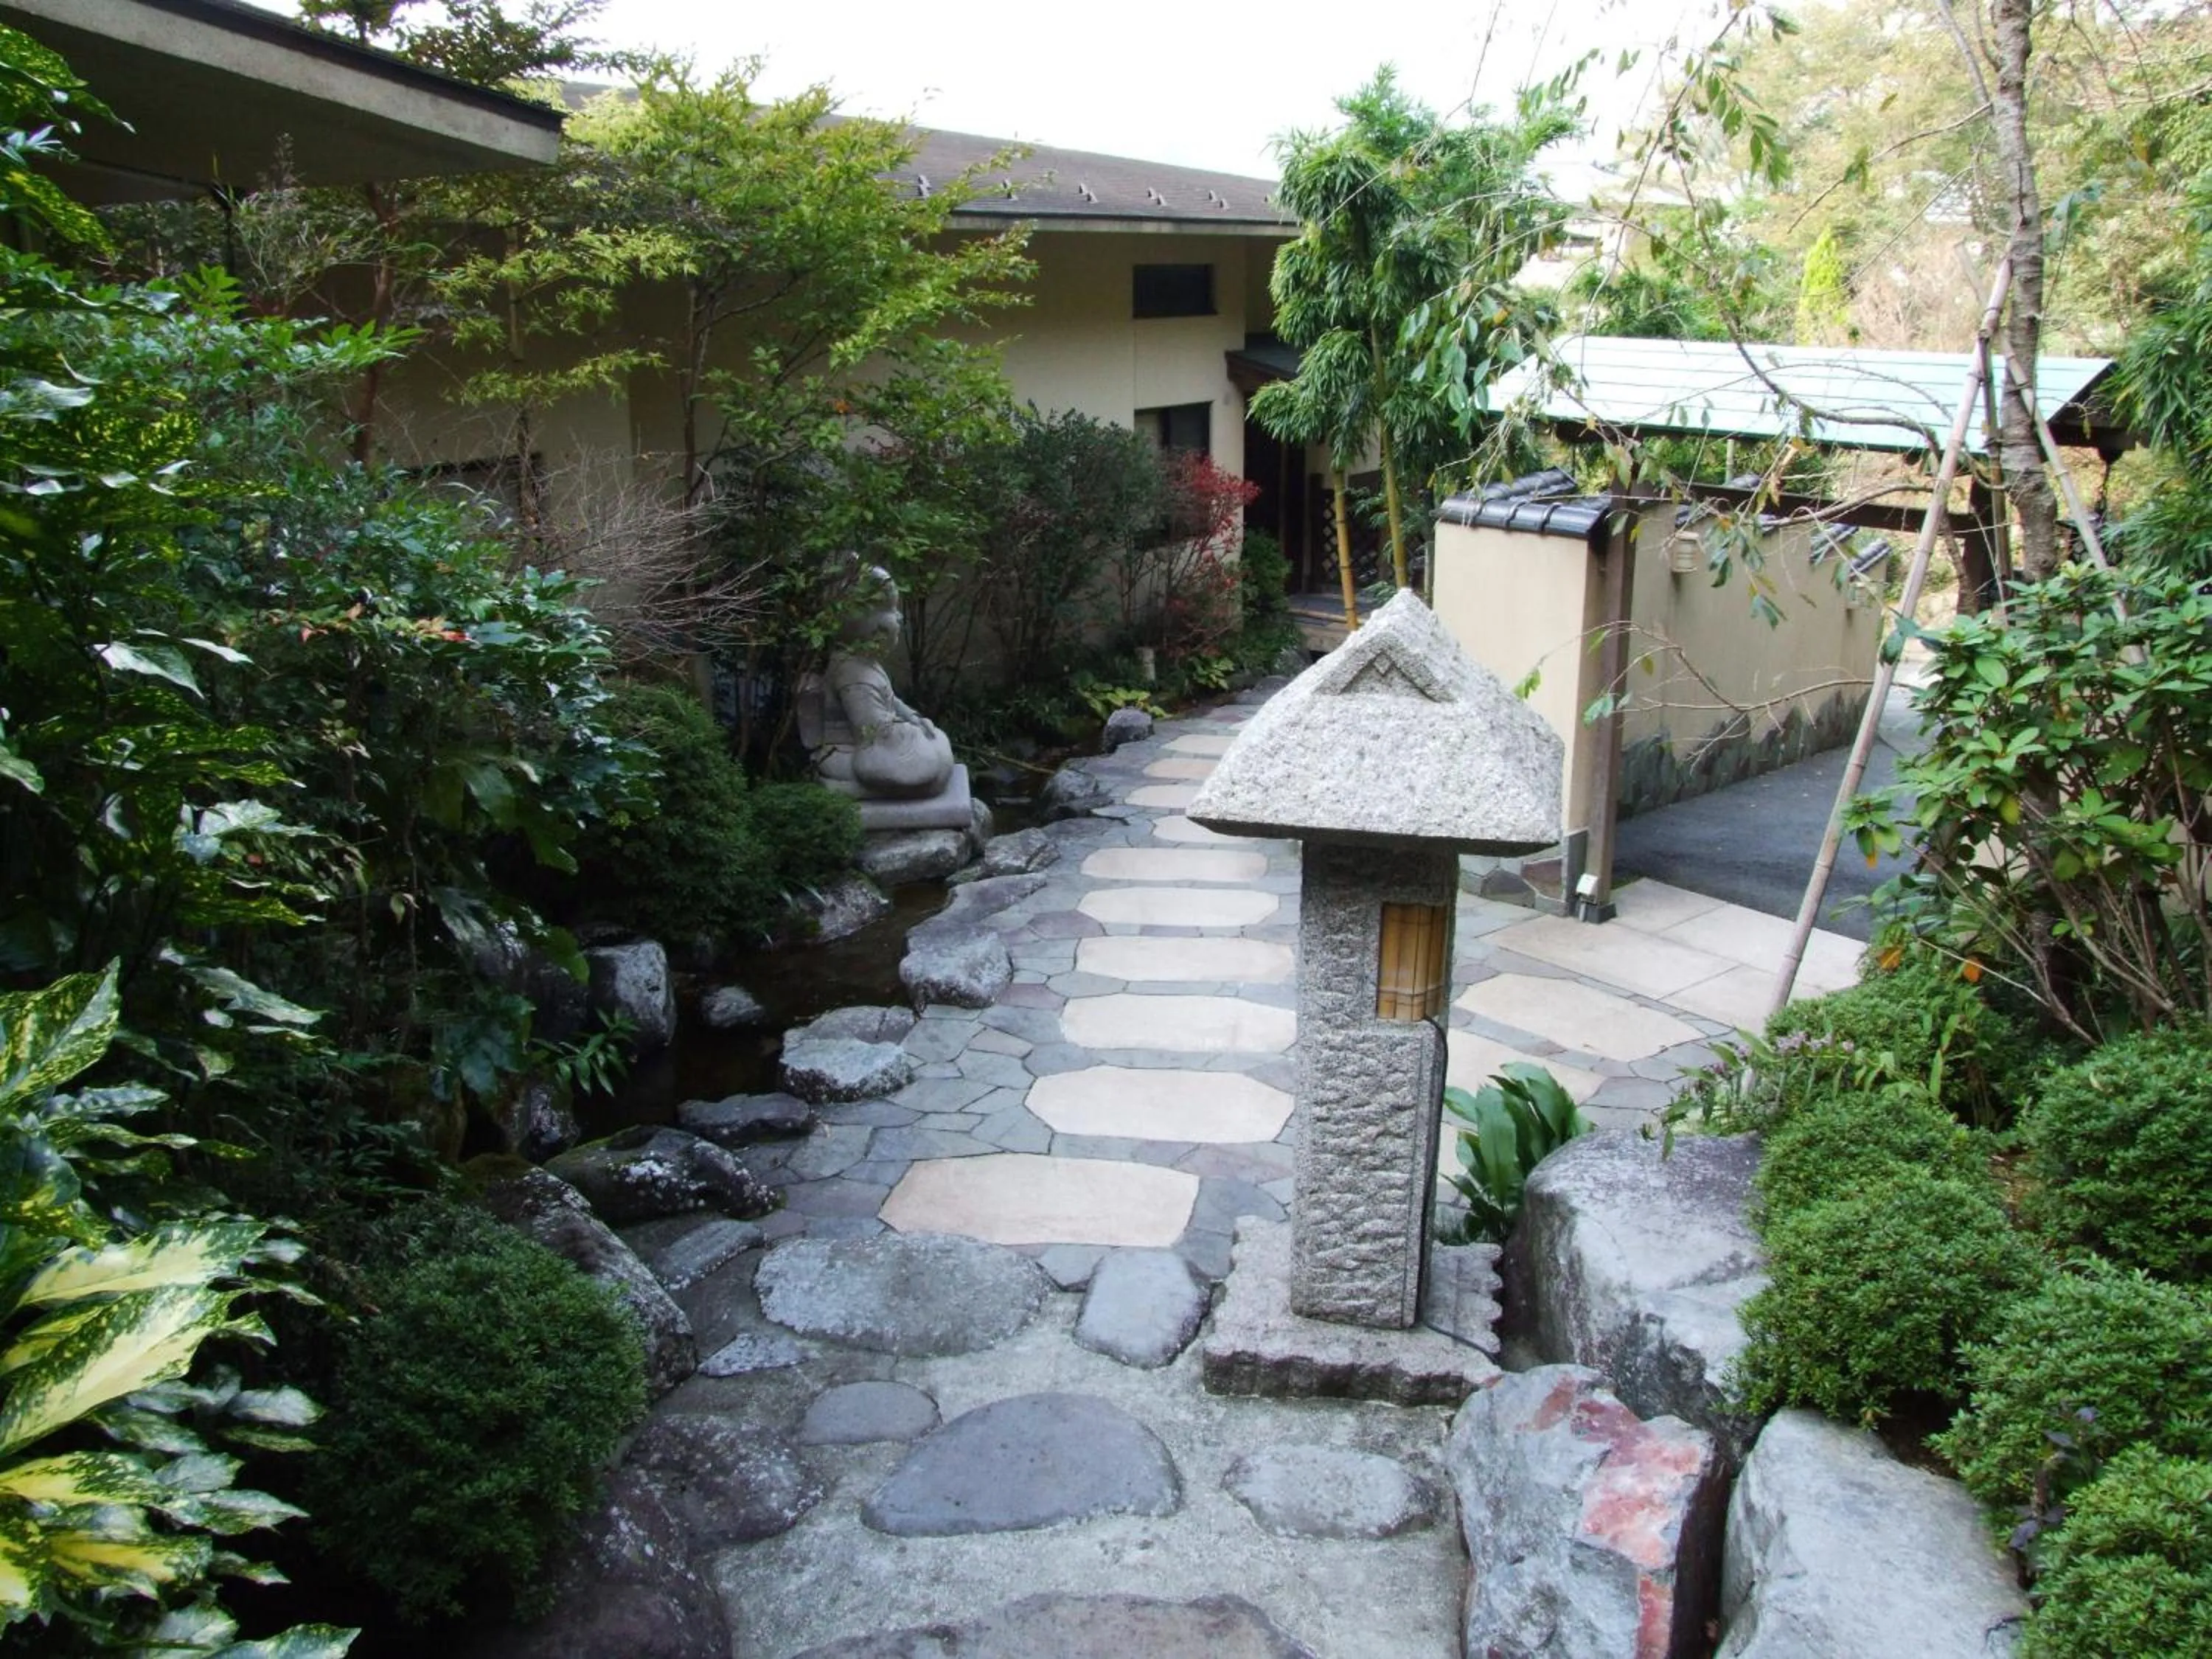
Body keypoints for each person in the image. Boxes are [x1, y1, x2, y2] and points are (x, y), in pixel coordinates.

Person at [812, 567, 955, 799]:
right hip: (847, 754)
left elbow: (891, 701)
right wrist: (909, 732)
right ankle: (856, 790)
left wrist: (911, 717)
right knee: (934, 755)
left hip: (875, 741)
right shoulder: (854, 675)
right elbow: (872, 733)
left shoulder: (864, 663)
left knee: (934, 742)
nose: (900, 617)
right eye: (893, 610)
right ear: (875, 631)